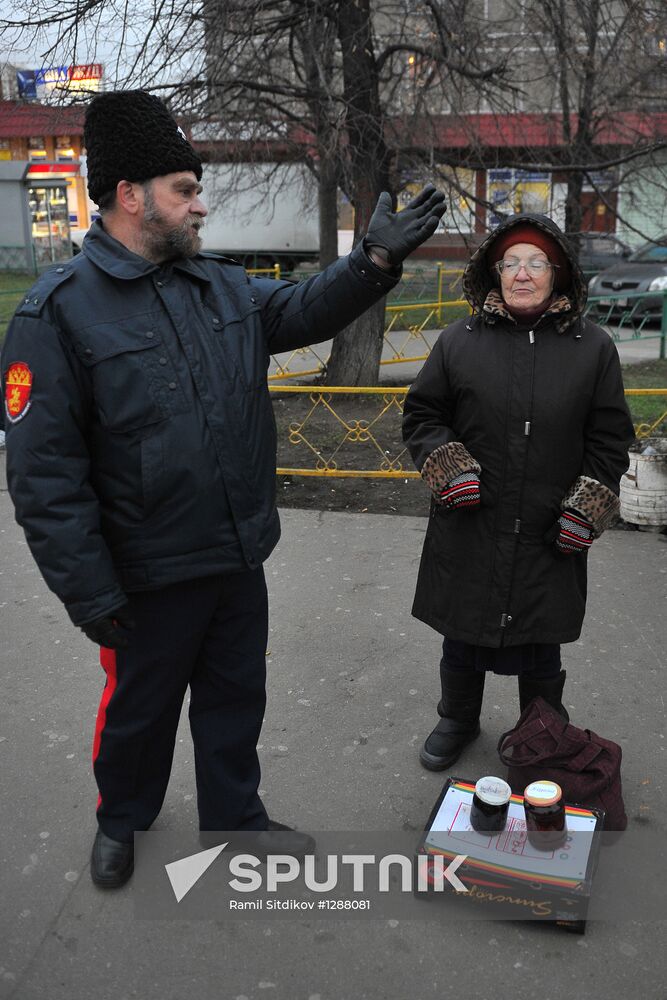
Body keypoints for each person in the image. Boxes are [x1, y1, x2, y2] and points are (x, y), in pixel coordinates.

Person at [2, 90, 446, 888]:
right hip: (145, 573)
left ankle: (236, 820)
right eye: (184, 189)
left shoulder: (217, 287)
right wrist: (87, 589)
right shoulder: (56, 313)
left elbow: (303, 309)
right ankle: (121, 818)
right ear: (130, 195)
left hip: (236, 553)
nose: (201, 204)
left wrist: (372, 262)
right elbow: (43, 476)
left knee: (235, 699)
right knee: (139, 714)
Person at [402, 215, 634, 772]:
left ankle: (543, 728)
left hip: (548, 523)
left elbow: (610, 438)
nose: (522, 274)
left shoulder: (593, 347)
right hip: (470, 519)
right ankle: (457, 716)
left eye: (535, 263)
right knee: (463, 628)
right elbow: (423, 415)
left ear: (558, 275)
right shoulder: (460, 340)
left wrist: (587, 508)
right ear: (494, 272)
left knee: (540, 634)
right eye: (510, 263)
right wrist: (447, 467)